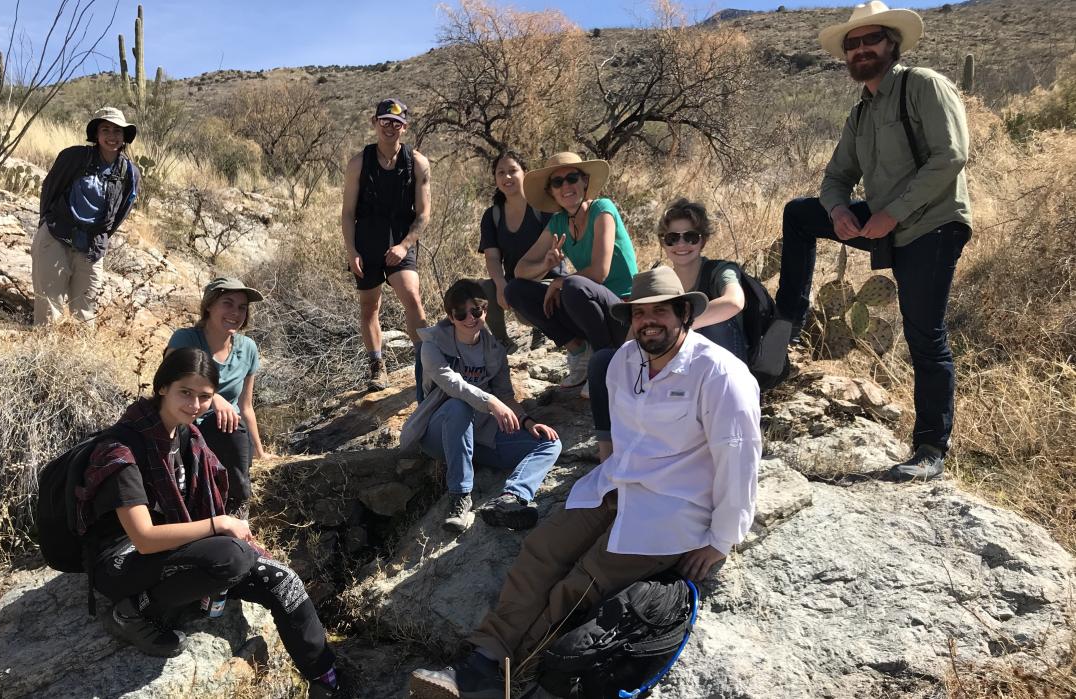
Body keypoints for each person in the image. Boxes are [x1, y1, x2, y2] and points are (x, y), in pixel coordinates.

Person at [410, 267, 761, 698]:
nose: (649, 321)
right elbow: (623, 436)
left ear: (685, 313)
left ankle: (507, 674)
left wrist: (721, 539)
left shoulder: (721, 375)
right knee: (541, 551)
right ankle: (484, 655)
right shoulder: (625, 362)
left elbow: (739, 458)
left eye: (661, 312)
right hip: (614, 486)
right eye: (639, 313)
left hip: (672, 509)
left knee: (583, 581)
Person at [775, 1, 971, 482]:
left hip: (932, 223)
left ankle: (929, 449)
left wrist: (891, 214)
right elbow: (836, 176)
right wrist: (840, 210)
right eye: (853, 44)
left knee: (925, 334)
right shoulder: (860, 112)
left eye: (871, 40)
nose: (861, 50)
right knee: (802, 214)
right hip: (886, 221)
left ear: (892, 45)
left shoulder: (922, 85)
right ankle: (786, 329)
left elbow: (950, 157)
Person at [78, 347, 343, 697]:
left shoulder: (187, 436)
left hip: (177, 546)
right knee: (232, 557)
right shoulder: (121, 451)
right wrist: (218, 525)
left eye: (204, 396)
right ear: (162, 387)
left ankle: (327, 680)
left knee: (283, 579)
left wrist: (221, 530)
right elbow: (143, 538)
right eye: (185, 392)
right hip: (122, 560)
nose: (194, 404)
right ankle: (131, 612)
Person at [588, 198, 749, 462]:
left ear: (703, 240)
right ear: (663, 242)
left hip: (717, 368)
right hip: (670, 368)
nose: (681, 244)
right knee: (603, 361)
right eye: (672, 238)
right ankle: (608, 455)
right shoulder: (658, 278)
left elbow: (733, 301)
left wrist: (678, 327)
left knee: (716, 324)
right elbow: (634, 336)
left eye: (691, 236)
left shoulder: (720, 270)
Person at [401, 279, 561, 533]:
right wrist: (491, 402)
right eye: (461, 313)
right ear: (450, 317)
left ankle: (511, 498)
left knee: (549, 443)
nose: (470, 318)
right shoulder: (431, 346)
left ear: (485, 310)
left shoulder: (494, 350)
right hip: (439, 433)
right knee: (458, 406)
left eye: (476, 311)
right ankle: (460, 497)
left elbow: (506, 395)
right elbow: (452, 384)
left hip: (481, 437)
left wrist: (528, 422)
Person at [506, 152, 638, 398]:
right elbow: (520, 270)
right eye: (557, 182)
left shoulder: (602, 209)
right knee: (515, 289)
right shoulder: (558, 223)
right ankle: (579, 351)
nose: (566, 186)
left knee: (575, 285)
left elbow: (599, 272)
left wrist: (559, 281)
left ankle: (603, 363)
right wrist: (545, 266)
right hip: (591, 308)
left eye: (572, 178)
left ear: (584, 182)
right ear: (552, 192)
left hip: (624, 310)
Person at [341, 98, 430, 394]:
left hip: (401, 240)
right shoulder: (358, 163)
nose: (390, 127)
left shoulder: (416, 162)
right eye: (385, 121)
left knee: (412, 296)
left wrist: (405, 246)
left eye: (396, 122)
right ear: (375, 123)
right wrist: (352, 251)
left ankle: (426, 362)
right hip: (366, 240)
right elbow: (348, 213)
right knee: (369, 307)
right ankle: (377, 367)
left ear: (404, 127)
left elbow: (424, 214)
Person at [166, 277, 268, 516]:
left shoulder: (248, 348)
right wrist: (213, 398)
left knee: (234, 426)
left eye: (242, 307)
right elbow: (169, 386)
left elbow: (246, 406)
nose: (235, 312)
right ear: (209, 305)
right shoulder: (186, 339)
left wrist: (260, 452)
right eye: (228, 303)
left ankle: (238, 506)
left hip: (228, 433)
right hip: (186, 425)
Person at [32, 107, 141, 325]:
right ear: (96, 134)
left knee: (85, 313)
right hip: (56, 235)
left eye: (118, 131)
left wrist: (102, 235)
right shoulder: (74, 157)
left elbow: (120, 212)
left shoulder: (129, 172)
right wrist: (45, 221)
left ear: (124, 136)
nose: (112, 136)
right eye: (106, 129)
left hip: (92, 245)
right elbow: (50, 189)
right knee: (48, 308)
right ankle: (43, 355)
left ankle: (79, 357)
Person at [476, 150, 560, 352]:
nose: (507, 177)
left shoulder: (543, 209)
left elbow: (553, 255)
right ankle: (504, 343)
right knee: (484, 288)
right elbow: (493, 258)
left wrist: (524, 282)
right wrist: (501, 284)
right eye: (500, 172)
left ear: (525, 173)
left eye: (513, 171)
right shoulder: (492, 216)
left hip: (547, 281)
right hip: (514, 285)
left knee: (525, 292)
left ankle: (544, 329)